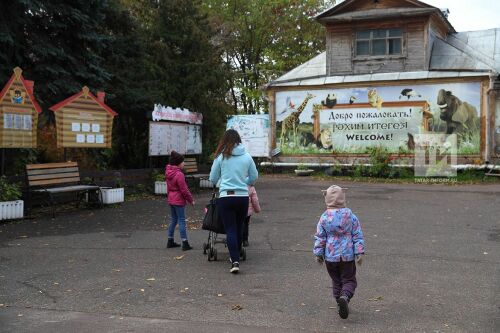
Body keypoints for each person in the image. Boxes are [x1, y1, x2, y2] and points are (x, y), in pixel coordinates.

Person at [209, 129, 258, 274]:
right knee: (239, 227)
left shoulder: (221, 157)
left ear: (224, 140)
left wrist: (221, 182)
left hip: (226, 197)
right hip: (242, 197)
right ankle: (236, 256)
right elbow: (254, 177)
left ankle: (235, 260)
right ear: (238, 140)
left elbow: (213, 178)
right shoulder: (247, 156)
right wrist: (244, 182)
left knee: (230, 229)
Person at [313, 185, 365, 319]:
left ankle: (339, 302)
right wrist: (359, 252)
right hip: (347, 255)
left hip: (331, 256)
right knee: (349, 279)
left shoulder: (324, 217)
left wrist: (319, 253)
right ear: (343, 198)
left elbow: (320, 236)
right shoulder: (351, 216)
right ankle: (345, 297)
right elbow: (357, 235)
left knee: (336, 281)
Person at [165, 150, 195, 251]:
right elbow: (184, 190)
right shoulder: (179, 174)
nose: (184, 163)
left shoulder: (168, 172)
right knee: (181, 220)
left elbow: (168, 187)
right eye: (182, 162)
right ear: (178, 163)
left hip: (171, 199)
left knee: (174, 220)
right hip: (178, 200)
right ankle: (185, 243)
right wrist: (191, 200)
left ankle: (170, 240)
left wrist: (169, 197)